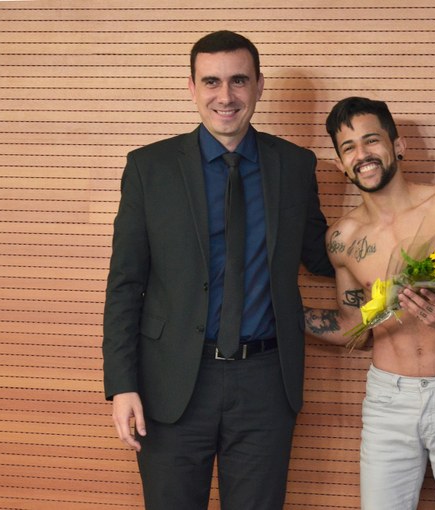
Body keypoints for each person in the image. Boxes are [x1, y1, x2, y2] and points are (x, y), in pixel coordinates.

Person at [102, 30, 333, 510]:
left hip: (266, 383)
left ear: (259, 85)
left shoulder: (295, 165)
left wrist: (395, 225)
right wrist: (122, 384)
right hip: (171, 383)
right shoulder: (149, 168)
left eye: (238, 81)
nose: (225, 96)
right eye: (211, 81)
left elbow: (322, 255)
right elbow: (125, 284)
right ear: (192, 88)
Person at [304, 96, 435, 510]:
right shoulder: (342, 239)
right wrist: (280, 312)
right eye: (349, 148)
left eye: (371, 140)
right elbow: (353, 326)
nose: (362, 154)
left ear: (398, 145)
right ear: (341, 163)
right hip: (387, 401)